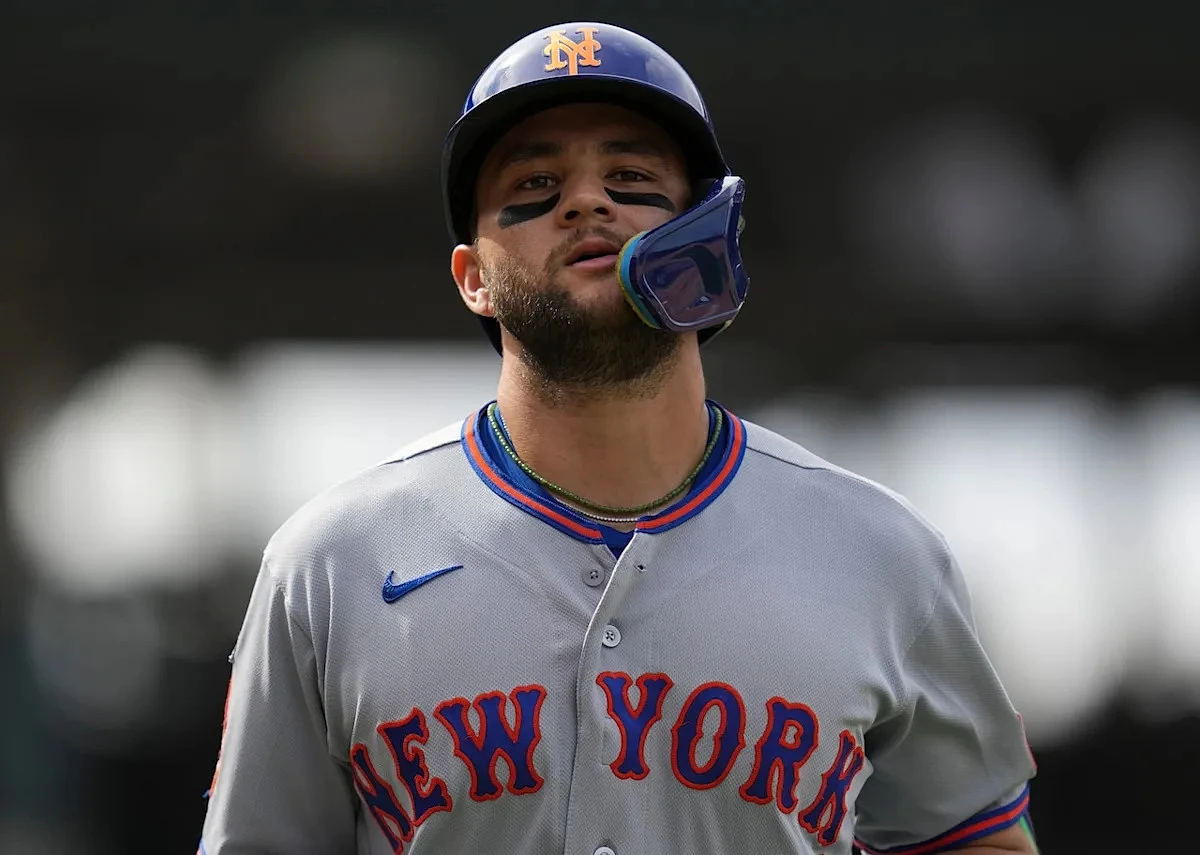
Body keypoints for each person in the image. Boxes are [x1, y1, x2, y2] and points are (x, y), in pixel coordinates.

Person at [197, 21, 1040, 855]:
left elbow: (976, 839)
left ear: (707, 234)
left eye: (631, 176)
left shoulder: (879, 552)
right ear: (472, 277)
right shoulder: (330, 563)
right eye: (536, 181)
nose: (586, 201)